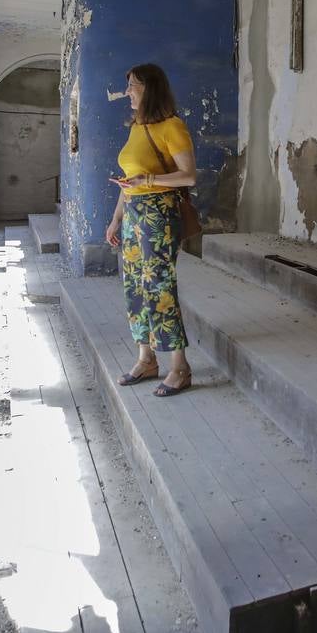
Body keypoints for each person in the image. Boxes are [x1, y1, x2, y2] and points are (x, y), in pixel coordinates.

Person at [104, 63, 197, 396]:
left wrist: (149, 180)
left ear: (151, 88)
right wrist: (116, 218)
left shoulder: (172, 126)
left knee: (159, 288)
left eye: (133, 85)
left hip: (159, 215)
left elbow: (188, 175)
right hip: (133, 214)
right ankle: (146, 359)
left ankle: (180, 366)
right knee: (135, 287)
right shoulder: (136, 127)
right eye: (127, 84)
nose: (127, 91)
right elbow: (128, 182)